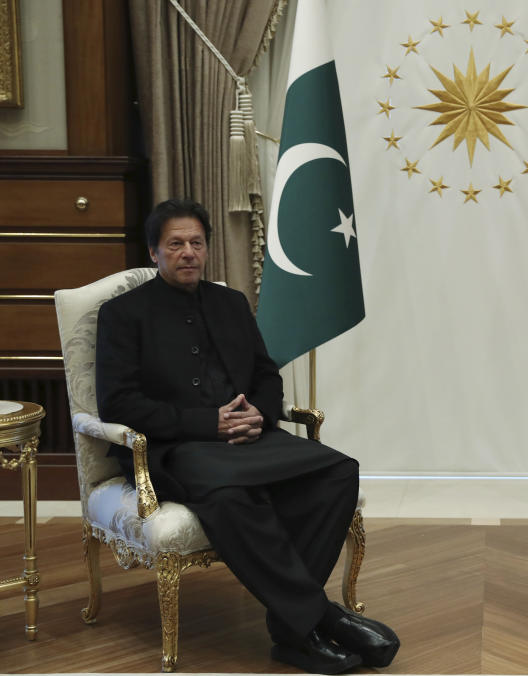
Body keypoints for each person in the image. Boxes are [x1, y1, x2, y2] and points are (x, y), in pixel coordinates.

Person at [96, 198, 399, 675]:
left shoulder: (231, 302)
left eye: (197, 243)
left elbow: (266, 374)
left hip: (249, 436)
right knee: (232, 498)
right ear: (154, 252)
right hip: (179, 445)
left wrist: (260, 411)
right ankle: (314, 620)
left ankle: (291, 624)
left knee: (339, 472)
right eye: (175, 244)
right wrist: (205, 424)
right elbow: (118, 403)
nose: (188, 253)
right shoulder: (122, 313)